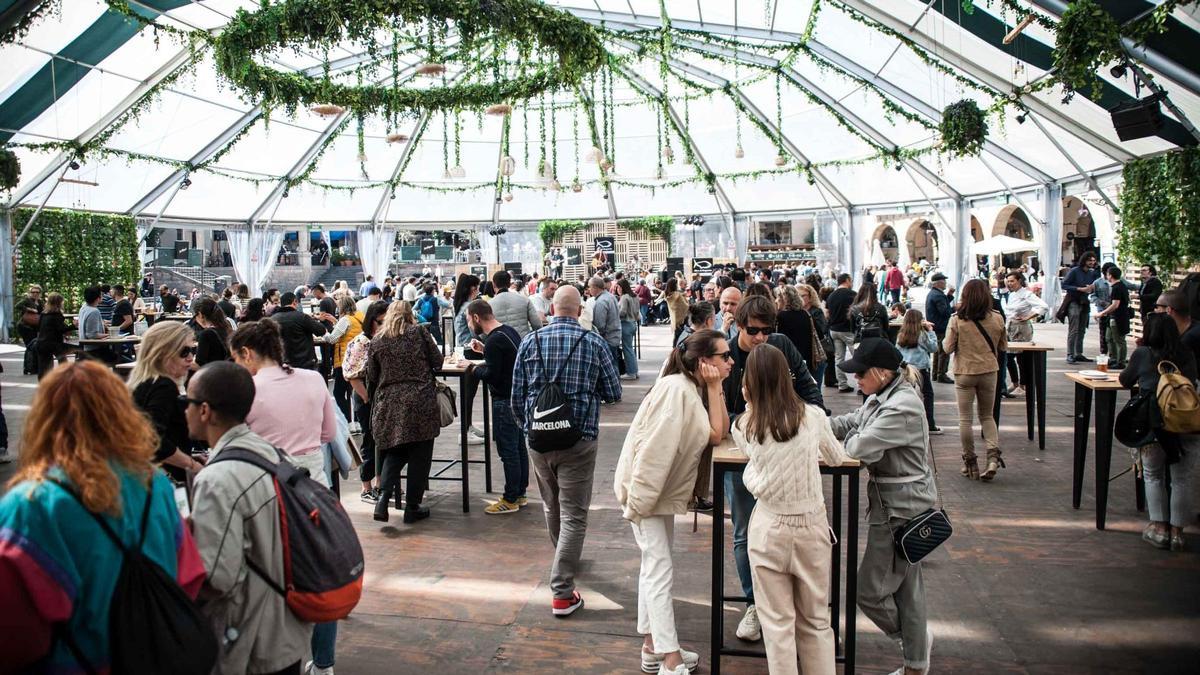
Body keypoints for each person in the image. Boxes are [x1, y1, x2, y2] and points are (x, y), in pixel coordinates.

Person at [0, 361, 206, 672]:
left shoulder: (29, 504)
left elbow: (18, 633)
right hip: (154, 654)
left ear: (43, 420)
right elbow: (189, 576)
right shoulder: (155, 484)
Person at [614, 329, 730, 675]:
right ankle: (669, 657)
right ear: (704, 361)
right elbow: (653, 452)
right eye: (723, 355)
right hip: (647, 492)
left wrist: (713, 387)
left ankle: (653, 647)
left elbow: (716, 432)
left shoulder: (689, 388)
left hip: (656, 492)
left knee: (654, 567)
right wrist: (638, 503)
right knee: (659, 569)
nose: (730, 360)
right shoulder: (676, 390)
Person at [186, 361, 313, 674]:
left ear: (205, 411)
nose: (183, 411)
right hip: (286, 628)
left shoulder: (216, 480)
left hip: (247, 638)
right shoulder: (271, 453)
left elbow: (218, 575)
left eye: (185, 402)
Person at [228, 320, 338, 675]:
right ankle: (324, 664)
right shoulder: (313, 379)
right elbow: (328, 432)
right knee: (319, 578)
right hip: (314, 484)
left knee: (268, 575)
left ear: (246, 353)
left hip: (265, 487)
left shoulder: (245, 388)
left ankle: (274, 659)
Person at [734, 344, 847, 675]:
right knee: (815, 620)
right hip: (810, 524)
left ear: (749, 382)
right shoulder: (812, 417)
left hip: (767, 527)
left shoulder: (743, 426)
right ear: (787, 377)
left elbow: (757, 459)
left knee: (776, 623)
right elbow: (837, 458)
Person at [511, 285, 622, 617]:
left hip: (538, 442)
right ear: (579, 310)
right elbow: (614, 392)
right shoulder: (593, 343)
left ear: (551, 309)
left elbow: (516, 398)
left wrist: (530, 430)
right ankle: (561, 591)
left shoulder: (530, 342)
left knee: (551, 505)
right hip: (579, 441)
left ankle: (564, 554)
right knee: (574, 513)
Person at [721, 295, 824, 643]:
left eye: (767, 330)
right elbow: (720, 414)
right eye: (754, 331)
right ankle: (755, 604)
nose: (761, 337)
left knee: (789, 535)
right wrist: (758, 424)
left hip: (784, 458)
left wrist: (801, 424)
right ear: (739, 326)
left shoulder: (781, 347)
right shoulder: (728, 356)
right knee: (743, 532)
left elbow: (811, 394)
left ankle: (791, 608)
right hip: (741, 456)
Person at [830, 338, 936, 675]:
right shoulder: (884, 395)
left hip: (899, 510)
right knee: (908, 592)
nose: (856, 379)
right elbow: (852, 422)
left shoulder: (901, 406)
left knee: (870, 592)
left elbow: (858, 447)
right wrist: (811, 426)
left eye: (861, 373)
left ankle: (914, 642)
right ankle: (915, 664)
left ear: (882, 372)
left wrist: (846, 438)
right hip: (899, 505)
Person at [1119, 312, 1198, 552]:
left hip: (1153, 423)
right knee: (1181, 478)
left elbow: (1125, 380)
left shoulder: (1143, 354)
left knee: (1153, 475)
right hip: (1185, 421)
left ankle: (1159, 528)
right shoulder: (1186, 353)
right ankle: (1177, 534)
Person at [367, 301, 443, 523]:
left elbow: (372, 375)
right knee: (420, 453)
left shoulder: (377, 340)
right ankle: (412, 507)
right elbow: (437, 362)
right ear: (410, 315)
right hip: (420, 400)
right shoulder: (419, 332)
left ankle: (383, 498)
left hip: (389, 403)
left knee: (395, 451)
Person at [464, 300, 528, 515]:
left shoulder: (493, 341)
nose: (469, 325)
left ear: (475, 317)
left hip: (503, 401)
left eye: (468, 320)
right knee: (518, 447)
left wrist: (471, 368)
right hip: (518, 399)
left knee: (507, 450)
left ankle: (510, 498)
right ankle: (519, 492)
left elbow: (491, 374)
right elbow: (505, 361)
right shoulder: (508, 332)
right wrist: (484, 351)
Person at [942, 278, 1007, 481]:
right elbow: (1004, 347)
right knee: (987, 416)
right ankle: (993, 458)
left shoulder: (957, 319)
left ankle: (970, 463)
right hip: (989, 371)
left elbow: (947, 348)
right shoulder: (997, 318)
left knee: (965, 419)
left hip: (965, 372)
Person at [129, 321, 206, 479]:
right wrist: (192, 465)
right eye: (184, 352)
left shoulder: (144, 383)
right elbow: (153, 440)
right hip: (163, 478)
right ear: (163, 353)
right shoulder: (163, 386)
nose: (191, 357)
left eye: (193, 350)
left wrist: (187, 458)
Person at [343, 300, 389, 504]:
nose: (384, 326)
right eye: (380, 322)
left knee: (382, 442)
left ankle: (380, 484)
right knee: (370, 442)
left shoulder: (382, 340)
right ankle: (367, 487)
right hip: (367, 398)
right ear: (371, 321)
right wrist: (367, 398)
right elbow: (352, 375)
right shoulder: (362, 342)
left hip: (379, 398)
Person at [1001, 272, 1048, 397]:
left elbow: (1043, 306)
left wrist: (1029, 317)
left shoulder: (1027, 294)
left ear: (1019, 281)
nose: (1010, 283)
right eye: (1008, 281)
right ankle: (1015, 383)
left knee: (1022, 357)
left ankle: (1023, 385)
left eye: (1012, 281)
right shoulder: (1011, 295)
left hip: (1021, 328)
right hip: (1010, 326)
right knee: (1009, 356)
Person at [896, 309, 941, 434]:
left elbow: (897, 352)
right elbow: (934, 348)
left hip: (905, 369)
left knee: (906, 395)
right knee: (928, 394)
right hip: (920, 369)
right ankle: (930, 423)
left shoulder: (901, 334)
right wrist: (931, 332)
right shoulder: (922, 334)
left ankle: (904, 423)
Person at [320, 294, 364, 420]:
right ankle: (357, 421)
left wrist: (323, 332)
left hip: (345, 359)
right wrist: (336, 322)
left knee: (338, 393)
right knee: (355, 392)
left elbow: (333, 339)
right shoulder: (360, 316)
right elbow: (349, 331)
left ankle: (347, 419)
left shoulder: (345, 320)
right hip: (359, 359)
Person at [269, 291, 327, 370]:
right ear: (294, 302)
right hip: (304, 363)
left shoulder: (272, 320)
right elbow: (321, 330)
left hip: (282, 364)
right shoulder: (302, 317)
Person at [775, 285, 821, 379]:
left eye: (778, 297)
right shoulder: (806, 314)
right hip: (806, 360)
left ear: (784, 299)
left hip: (788, 362)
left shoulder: (781, 317)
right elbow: (819, 333)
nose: (776, 300)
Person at [1062, 251, 1100, 364]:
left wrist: (1091, 288)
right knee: (1073, 329)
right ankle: (1070, 354)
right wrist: (1079, 289)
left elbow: (1094, 286)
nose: (1092, 263)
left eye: (1093, 261)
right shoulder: (1075, 271)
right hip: (1074, 301)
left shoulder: (1092, 273)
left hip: (1084, 302)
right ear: (1084, 260)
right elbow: (1064, 284)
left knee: (1082, 329)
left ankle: (1078, 353)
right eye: (1090, 260)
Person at [797, 283, 833, 390]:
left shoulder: (816, 312)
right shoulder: (796, 312)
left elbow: (822, 330)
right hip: (802, 354)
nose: (800, 298)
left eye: (803, 295)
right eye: (798, 295)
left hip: (815, 355)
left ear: (810, 296)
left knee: (815, 387)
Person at [826, 273, 857, 392]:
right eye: (851, 280)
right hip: (848, 330)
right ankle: (862, 386)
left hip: (834, 330)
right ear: (847, 280)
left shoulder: (831, 295)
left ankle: (842, 384)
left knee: (839, 358)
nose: (852, 283)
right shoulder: (852, 294)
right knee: (858, 357)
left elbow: (827, 313)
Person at [1096, 265, 1132, 369]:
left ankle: (1120, 361)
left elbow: (1115, 304)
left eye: (1107, 274)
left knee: (1119, 339)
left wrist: (1102, 313)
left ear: (1110, 276)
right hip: (1113, 317)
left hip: (1118, 317)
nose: (1106, 276)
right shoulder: (1119, 286)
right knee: (1109, 338)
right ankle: (1113, 358)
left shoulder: (1117, 287)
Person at [489, 270, 543, 337]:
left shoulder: (488, 305)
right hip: (523, 343)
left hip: (499, 344)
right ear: (509, 283)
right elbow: (537, 324)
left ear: (493, 284)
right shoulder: (524, 300)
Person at [587, 276, 623, 373]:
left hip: (607, 338)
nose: (588, 289)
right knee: (614, 365)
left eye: (589, 287)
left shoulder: (601, 302)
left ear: (595, 287)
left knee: (609, 368)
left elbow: (599, 325)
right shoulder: (610, 296)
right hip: (614, 335)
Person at [35, 292, 73, 380]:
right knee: (63, 360)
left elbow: (39, 328)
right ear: (59, 303)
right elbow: (61, 329)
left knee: (44, 368)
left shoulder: (43, 314)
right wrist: (73, 326)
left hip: (41, 343)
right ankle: (65, 379)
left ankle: (43, 385)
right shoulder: (56, 314)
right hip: (53, 344)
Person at [925, 273, 954, 384]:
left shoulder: (933, 293)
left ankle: (935, 373)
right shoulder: (938, 295)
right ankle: (941, 374)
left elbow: (942, 306)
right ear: (939, 283)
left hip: (935, 326)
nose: (946, 283)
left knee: (937, 351)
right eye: (944, 281)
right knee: (944, 351)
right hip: (941, 326)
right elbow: (945, 312)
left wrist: (949, 296)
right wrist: (955, 308)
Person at [1159, 290, 1200, 366]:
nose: (1155, 311)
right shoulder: (1192, 326)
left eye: (1157, 306)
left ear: (1168, 310)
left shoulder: (1189, 339)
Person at [191, 296, 232, 367]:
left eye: (195, 316)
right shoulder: (227, 329)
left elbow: (199, 364)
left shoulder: (206, 334)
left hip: (212, 374)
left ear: (200, 315)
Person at [617, 278, 641, 381]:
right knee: (630, 349)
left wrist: (614, 315)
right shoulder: (634, 296)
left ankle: (631, 372)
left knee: (627, 349)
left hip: (625, 324)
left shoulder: (624, 297)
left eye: (618, 287)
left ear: (621, 287)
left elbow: (622, 312)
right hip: (633, 323)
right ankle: (634, 371)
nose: (617, 289)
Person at [664, 278, 689, 344]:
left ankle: (674, 348)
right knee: (682, 335)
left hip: (674, 318)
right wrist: (686, 300)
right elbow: (685, 306)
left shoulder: (667, 294)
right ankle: (678, 348)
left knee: (676, 335)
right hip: (682, 318)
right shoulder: (678, 295)